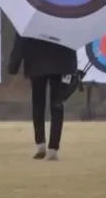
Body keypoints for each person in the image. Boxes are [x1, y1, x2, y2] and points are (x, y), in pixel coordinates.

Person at [7, 33, 77, 161]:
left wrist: (13, 66)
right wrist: (72, 67)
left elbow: (21, 41)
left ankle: (40, 144)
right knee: (57, 105)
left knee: (38, 103)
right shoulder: (65, 14)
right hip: (61, 63)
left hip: (36, 63)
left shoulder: (32, 15)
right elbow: (72, 40)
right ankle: (53, 149)